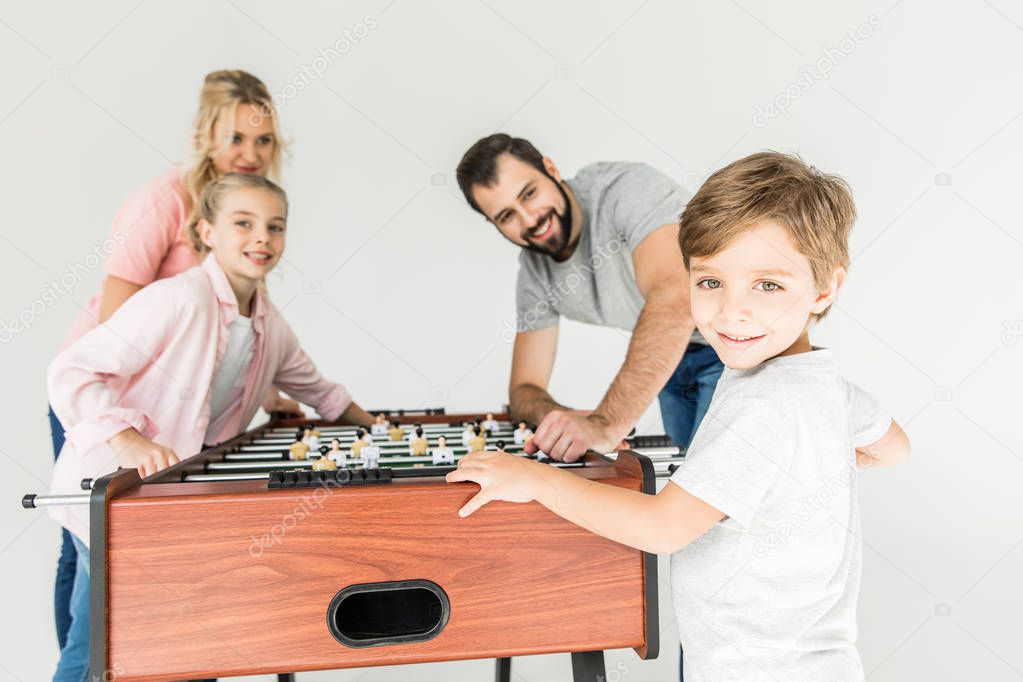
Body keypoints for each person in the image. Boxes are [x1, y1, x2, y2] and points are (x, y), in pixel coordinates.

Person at [448, 152, 911, 681]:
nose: (732, 310)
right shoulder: (825, 386)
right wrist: (807, 464)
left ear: (824, 289)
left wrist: (534, 477)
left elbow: (665, 529)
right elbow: (895, 447)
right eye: (711, 282)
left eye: (768, 285)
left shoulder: (758, 408)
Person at [47, 173, 374, 680]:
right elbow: (71, 370)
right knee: (99, 649)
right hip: (111, 493)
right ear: (206, 231)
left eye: (275, 226)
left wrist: (378, 426)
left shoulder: (272, 323)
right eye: (243, 223)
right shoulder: (177, 298)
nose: (261, 237)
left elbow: (320, 390)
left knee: (195, 643)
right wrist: (127, 437)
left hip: (174, 504)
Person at [46, 70, 299, 651]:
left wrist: (262, 392)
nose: (250, 153)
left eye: (263, 140)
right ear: (206, 137)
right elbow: (117, 321)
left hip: (167, 408)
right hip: (101, 390)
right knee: (86, 542)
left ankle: (116, 653)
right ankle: (81, 657)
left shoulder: (249, 212)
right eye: (235, 137)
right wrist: (124, 433)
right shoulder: (166, 199)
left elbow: (238, 329)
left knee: (141, 558)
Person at [456, 134, 724, 463]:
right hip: (674, 359)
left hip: (739, 345)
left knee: (713, 490)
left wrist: (605, 424)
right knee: (686, 486)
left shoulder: (625, 190)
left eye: (529, 194)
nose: (530, 220)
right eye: (506, 216)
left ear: (550, 169)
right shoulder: (535, 274)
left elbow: (677, 301)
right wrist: (561, 419)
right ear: (491, 222)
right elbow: (524, 388)